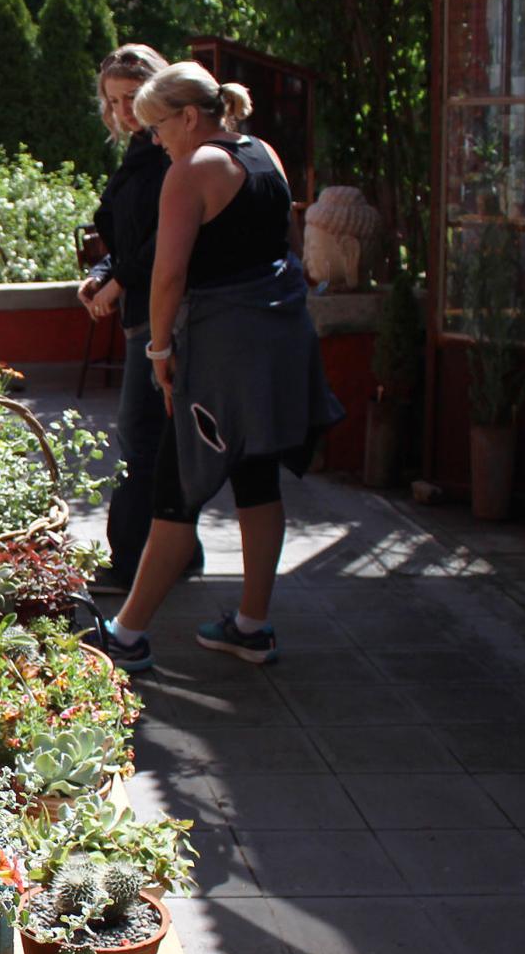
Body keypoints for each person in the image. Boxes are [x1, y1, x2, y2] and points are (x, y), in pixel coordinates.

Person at [88, 61, 343, 671]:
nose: (154, 138)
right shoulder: (264, 155)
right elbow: (276, 251)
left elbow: (167, 274)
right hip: (274, 349)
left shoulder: (194, 169)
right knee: (258, 481)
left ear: (191, 116)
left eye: (158, 125)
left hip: (219, 357)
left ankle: (126, 635)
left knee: (177, 489)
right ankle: (252, 626)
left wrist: (159, 352)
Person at [77, 44, 203, 592]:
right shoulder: (138, 151)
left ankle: (133, 561)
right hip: (140, 310)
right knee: (153, 437)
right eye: (114, 101)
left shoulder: (172, 153)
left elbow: (164, 240)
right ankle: (180, 553)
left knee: (141, 437)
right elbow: (127, 235)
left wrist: (120, 279)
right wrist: (104, 272)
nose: (124, 111)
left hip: (163, 316)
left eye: (132, 98)